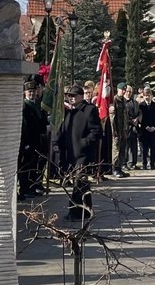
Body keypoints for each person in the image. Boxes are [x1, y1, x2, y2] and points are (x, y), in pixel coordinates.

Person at [53, 85, 102, 221]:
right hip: (71, 154)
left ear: (81, 96)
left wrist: (83, 143)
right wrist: (57, 143)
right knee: (81, 184)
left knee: (79, 183)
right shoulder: (69, 112)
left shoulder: (89, 110)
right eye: (69, 96)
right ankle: (86, 211)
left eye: (73, 96)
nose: (71, 98)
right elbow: (64, 131)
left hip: (83, 155)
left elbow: (96, 132)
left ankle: (75, 212)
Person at [18, 80, 48, 200]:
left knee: (35, 164)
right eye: (30, 92)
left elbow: (41, 121)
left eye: (34, 91)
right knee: (26, 166)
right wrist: (25, 142)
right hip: (28, 140)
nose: (32, 94)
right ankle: (24, 189)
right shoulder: (24, 106)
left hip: (37, 139)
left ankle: (32, 186)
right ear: (25, 93)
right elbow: (24, 125)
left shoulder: (38, 105)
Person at [109, 82, 130, 178]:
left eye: (125, 90)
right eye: (122, 90)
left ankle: (120, 168)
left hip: (124, 129)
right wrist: (113, 129)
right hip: (117, 129)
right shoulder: (114, 100)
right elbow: (112, 117)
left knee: (123, 149)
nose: (124, 91)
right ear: (118, 89)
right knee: (116, 149)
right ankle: (115, 168)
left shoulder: (124, 101)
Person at [139, 87, 155, 170]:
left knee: (153, 148)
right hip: (145, 130)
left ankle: (152, 164)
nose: (147, 97)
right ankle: (144, 164)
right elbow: (141, 118)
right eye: (145, 96)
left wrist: (154, 126)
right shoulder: (141, 105)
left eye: (148, 95)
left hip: (153, 130)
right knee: (145, 148)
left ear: (151, 96)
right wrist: (146, 126)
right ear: (143, 96)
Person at [125, 85, 142, 170]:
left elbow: (139, 113)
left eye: (130, 92)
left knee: (134, 147)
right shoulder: (122, 102)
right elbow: (123, 116)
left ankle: (133, 163)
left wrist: (137, 120)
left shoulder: (135, 102)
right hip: (126, 127)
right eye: (127, 91)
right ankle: (124, 163)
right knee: (126, 147)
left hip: (135, 129)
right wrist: (131, 121)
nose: (128, 93)